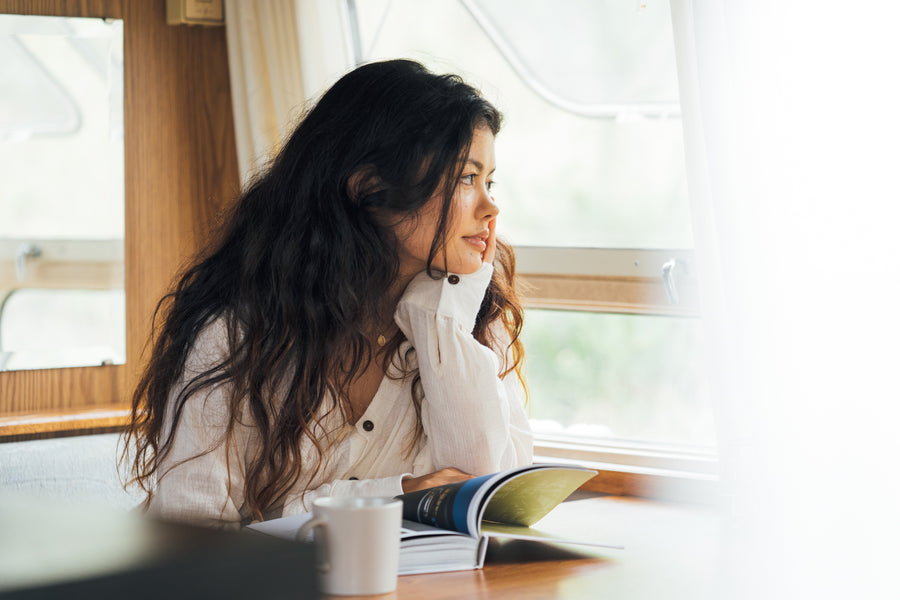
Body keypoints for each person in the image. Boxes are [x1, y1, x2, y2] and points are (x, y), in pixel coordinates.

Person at [121, 59, 532, 529]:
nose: (490, 206)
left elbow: (491, 495)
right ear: (369, 187)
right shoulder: (238, 336)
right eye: (466, 178)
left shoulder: (469, 318)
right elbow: (193, 533)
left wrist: (443, 323)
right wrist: (390, 497)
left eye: (490, 181)